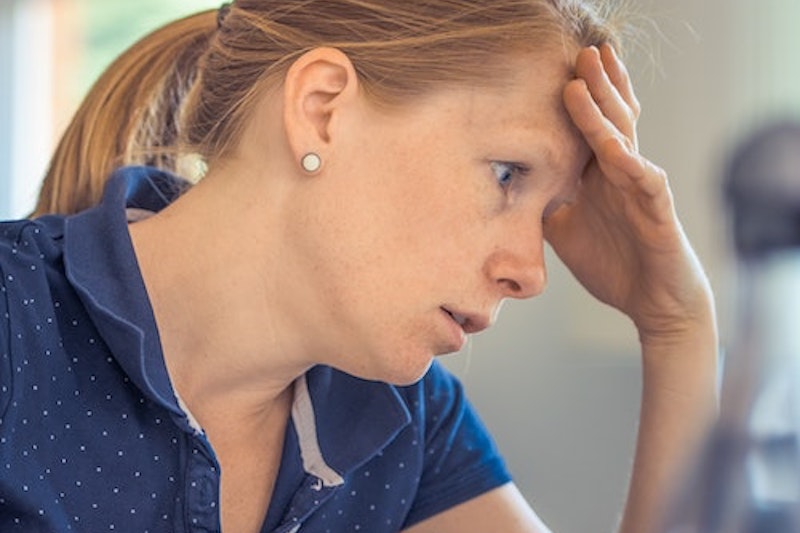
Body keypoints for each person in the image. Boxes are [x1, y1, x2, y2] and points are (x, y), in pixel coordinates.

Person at [0, 1, 719, 532]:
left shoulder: (403, 419)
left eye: (550, 212)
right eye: (507, 174)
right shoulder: (13, 321)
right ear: (322, 109)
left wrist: (677, 327)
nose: (531, 272)